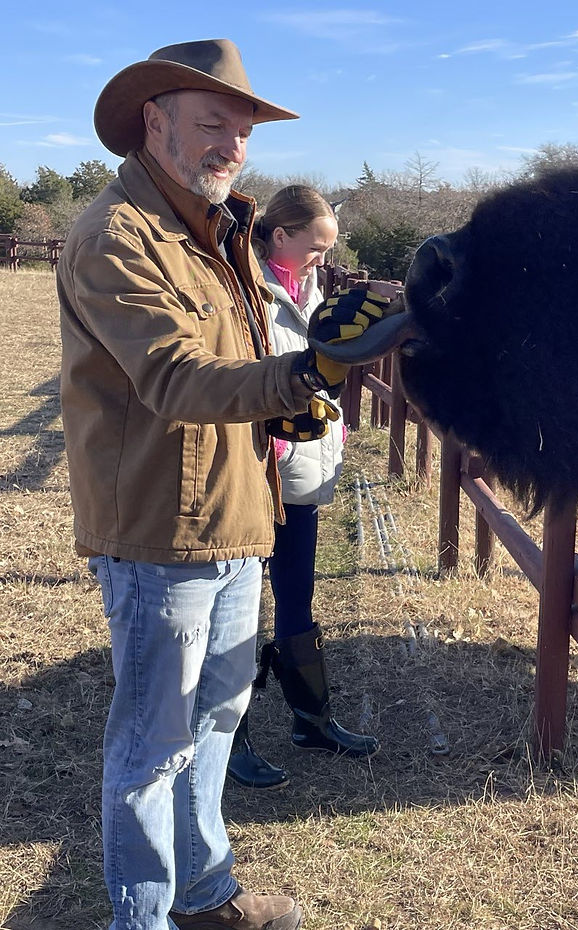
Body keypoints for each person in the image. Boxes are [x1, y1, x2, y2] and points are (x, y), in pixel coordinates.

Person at [57, 39, 386, 930]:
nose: (232, 147)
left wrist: (288, 400)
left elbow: (238, 360)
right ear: (152, 122)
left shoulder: (220, 228)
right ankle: (145, 918)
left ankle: (206, 896)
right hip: (161, 527)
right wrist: (309, 370)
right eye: (213, 125)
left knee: (217, 718)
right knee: (152, 747)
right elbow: (171, 376)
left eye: (241, 132)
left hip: (241, 511)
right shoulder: (115, 236)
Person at [226, 186, 379, 791]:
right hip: (255, 476)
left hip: (301, 476)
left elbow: (324, 379)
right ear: (279, 237)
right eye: (315, 247)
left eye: (327, 249)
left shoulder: (309, 292)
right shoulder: (245, 294)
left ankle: (310, 719)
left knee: (296, 600)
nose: (322, 259)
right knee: (237, 612)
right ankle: (228, 740)